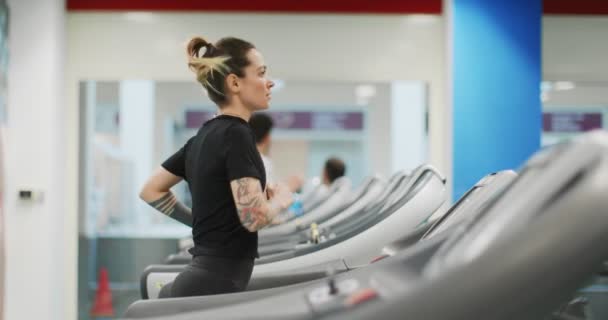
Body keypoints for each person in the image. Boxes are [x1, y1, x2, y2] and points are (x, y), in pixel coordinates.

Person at [139, 35, 293, 298]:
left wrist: (199, 223)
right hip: (216, 281)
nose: (269, 82)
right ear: (234, 82)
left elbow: (151, 190)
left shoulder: (201, 137)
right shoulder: (237, 134)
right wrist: (281, 200)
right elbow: (253, 217)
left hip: (204, 278)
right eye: (261, 73)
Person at [249, 112, 303, 192]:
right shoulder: (263, 163)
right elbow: (268, 196)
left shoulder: (245, 158)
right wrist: (289, 187)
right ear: (267, 137)